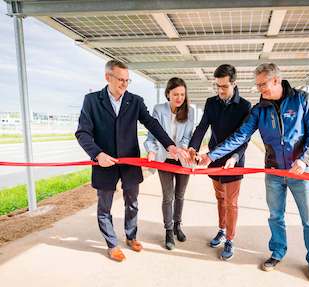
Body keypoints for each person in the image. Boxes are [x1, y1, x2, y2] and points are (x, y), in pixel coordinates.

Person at [197, 63, 309, 282]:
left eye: (262, 84)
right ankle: (277, 252)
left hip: (301, 171)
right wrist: (211, 156)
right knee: (276, 216)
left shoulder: (302, 99)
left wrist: (304, 160)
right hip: (273, 171)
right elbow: (240, 136)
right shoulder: (259, 110)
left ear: (276, 80)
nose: (259, 89)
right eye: (257, 85)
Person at [76, 60, 188, 262]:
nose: (124, 84)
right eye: (120, 80)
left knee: (133, 204)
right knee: (104, 208)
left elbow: (152, 124)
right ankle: (112, 244)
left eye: (128, 80)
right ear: (107, 77)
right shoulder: (91, 100)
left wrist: (170, 145)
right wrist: (97, 154)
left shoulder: (135, 101)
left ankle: (131, 236)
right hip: (104, 163)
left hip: (129, 163)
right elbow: (82, 133)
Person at [188, 64, 251, 261]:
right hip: (214, 159)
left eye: (224, 86)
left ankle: (230, 239)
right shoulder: (211, 103)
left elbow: (244, 138)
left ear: (234, 83)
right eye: (217, 86)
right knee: (220, 198)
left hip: (234, 160)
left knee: (231, 202)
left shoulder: (245, 106)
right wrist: (194, 147)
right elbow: (202, 127)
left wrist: (235, 157)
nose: (220, 91)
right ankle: (222, 229)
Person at [144, 77, 194, 250]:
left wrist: (182, 149)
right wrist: (151, 149)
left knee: (180, 195)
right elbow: (153, 133)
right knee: (168, 196)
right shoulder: (158, 109)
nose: (179, 98)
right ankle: (168, 230)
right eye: (175, 94)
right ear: (168, 94)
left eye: (182, 94)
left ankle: (177, 225)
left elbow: (188, 135)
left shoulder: (190, 111)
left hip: (182, 161)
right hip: (164, 159)